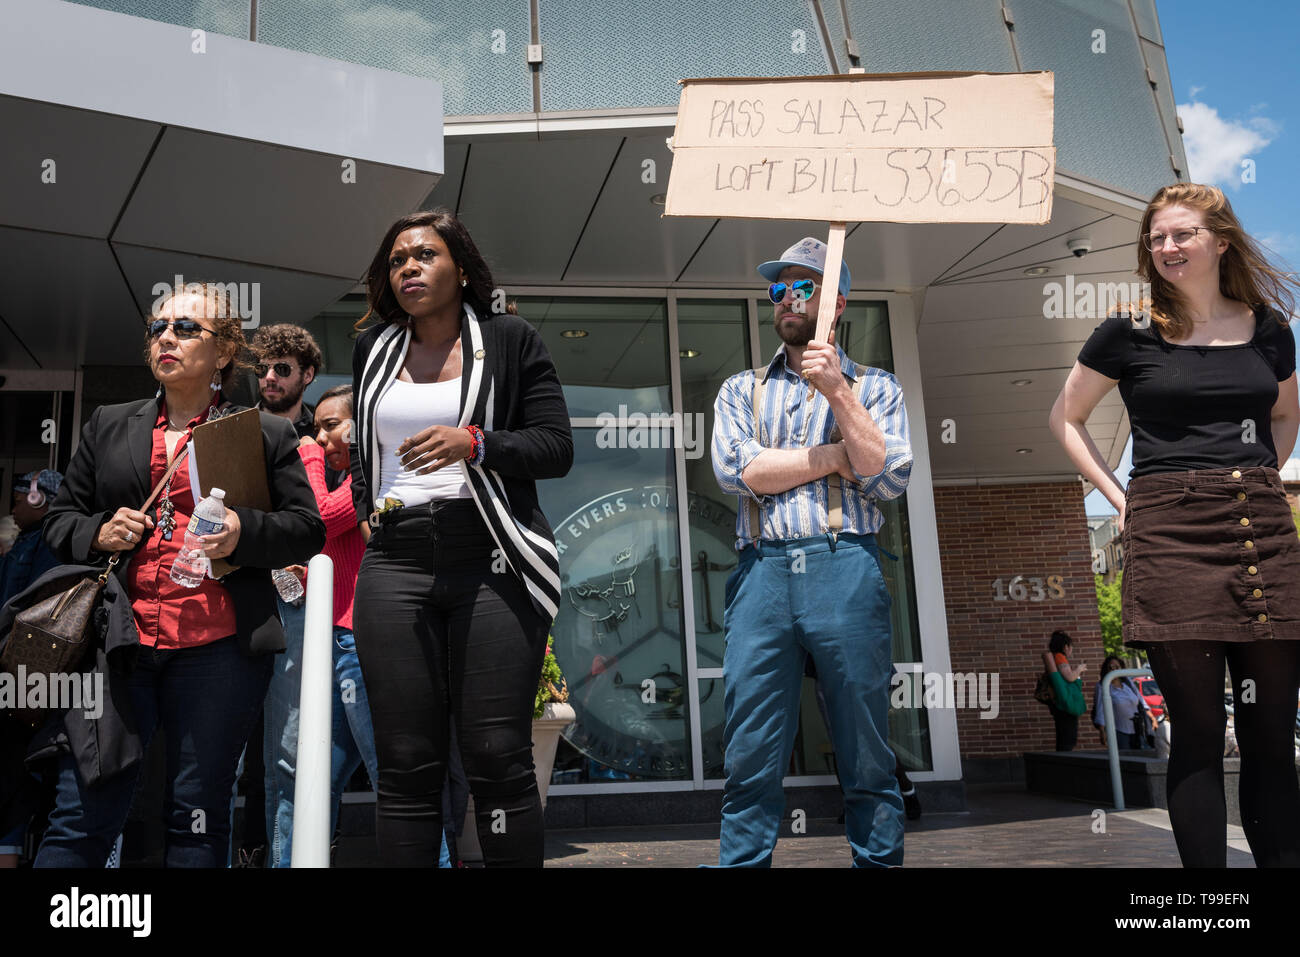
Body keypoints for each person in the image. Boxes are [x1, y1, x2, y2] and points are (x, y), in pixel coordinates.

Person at [1050, 182, 1300, 868]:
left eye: (1182, 233)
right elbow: (1064, 419)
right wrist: (1122, 499)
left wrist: (1255, 476)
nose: (1166, 247)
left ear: (1221, 241)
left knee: (1272, 733)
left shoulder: (1270, 328)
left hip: (1261, 529)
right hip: (1168, 532)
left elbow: (1284, 415)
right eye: (1156, 237)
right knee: (1196, 729)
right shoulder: (1129, 329)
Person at [31, 282, 325, 867]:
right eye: (158, 328)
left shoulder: (263, 432)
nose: (167, 337)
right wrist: (97, 532)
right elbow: (59, 520)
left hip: (218, 651)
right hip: (118, 645)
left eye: (187, 328)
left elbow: (306, 528)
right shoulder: (108, 424)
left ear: (223, 354)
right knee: (81, 810)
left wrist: (244, 531)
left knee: (197, 814)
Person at [349, 208, 572, 867]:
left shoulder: (509, 338)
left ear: (463, 269)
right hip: (395, 560)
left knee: (495, 753)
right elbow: (366, 447)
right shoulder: (374, 348)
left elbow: (555, 447)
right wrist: (367, 505)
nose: (409, 267)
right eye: (397, 261)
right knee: (406, 759)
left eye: (424, 255)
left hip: (492, 557)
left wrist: (474, 442)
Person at [710, 236, 912, 867]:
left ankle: (877, 862)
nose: (789, 299)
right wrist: (834, 458)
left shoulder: (876, 386)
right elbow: (740, 474)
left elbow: (887, 476)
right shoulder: (740, 389)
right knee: (750, 747)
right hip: (761, 572)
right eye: (779, 289)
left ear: (838, 305)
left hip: (844, 563)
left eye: (805, 287)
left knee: (866, 746)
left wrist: (838, 394)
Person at [239, 323, 326, 866]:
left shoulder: (328, 439)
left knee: (294, 747)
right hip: (242, 597)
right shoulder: (234, 430)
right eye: (263, 369)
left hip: (305, 610)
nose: (269, 378)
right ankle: (248, 853)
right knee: (238, 743)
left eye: (283, 370)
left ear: (307, 376)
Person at [0, 470, 63, 609]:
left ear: (37, 500)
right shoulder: (28, 538)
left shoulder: (50, 543)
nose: (13, 511)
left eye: (18, 502)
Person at [1093, 655, 1155, 749]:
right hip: (1119, 731)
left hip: (1137, 728)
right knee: (1125, 759)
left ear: (1121, 668)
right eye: (1110, 667)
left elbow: (1141, 701)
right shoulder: (1103, 686)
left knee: (1141, 756)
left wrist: (1152, 719)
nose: (1113, 670)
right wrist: (1102, 731)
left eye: (1117, 667)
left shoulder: (1128, 683)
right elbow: (1100, 710)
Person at [1040, 630, 1086, 751]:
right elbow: (1070, 677)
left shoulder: (1054, 658)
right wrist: (1079, 669)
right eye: (1071, 647)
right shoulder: (1060, 657)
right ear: (1065, 647)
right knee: (1068, 738)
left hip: (1057, 703)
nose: (1071, 650)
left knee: (1065, 736)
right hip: (1064, 704)